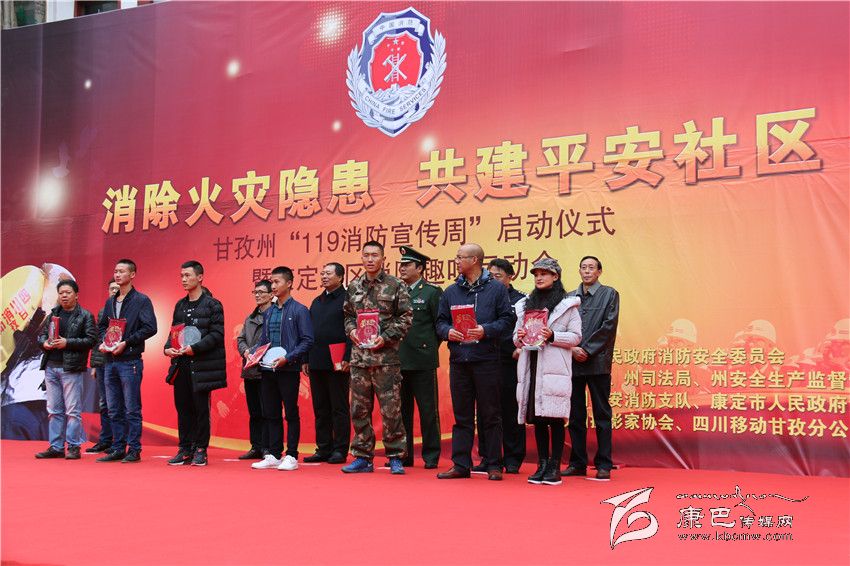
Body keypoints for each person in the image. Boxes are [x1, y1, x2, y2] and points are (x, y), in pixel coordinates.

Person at [436, 244, 513, 481]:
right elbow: (440, 322)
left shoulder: (496, 289)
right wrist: (447, 331)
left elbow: (507, 320)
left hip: (487, 359)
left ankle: (494, 464)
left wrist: (485, 330)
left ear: (475, 260)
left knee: (490, 414)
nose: (456, 261)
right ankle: (461, 464)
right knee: (462, 415)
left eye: (460, 257)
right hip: (460, 360)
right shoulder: (451, 291)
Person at [342, 241, 412, 474]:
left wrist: (385, 337)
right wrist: (352, 331)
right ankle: (362, 457)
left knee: (391, 410)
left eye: (375, 255)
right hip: (359, 360)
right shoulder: (354, 286)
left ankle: (395, 456)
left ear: (383, 259)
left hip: (386, 360)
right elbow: (347, 316)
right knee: (359, 410)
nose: (370, 259)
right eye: (366, 255)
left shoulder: (396, 285)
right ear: (361, 258)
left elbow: (406, 318)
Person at [513, 259, 582, 485]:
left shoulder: (567, 305)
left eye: (544, 274)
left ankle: (554, 466)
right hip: (532, 366)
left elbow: (576, 337)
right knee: (538, 419)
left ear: (556, 277)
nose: (539, 278)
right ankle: (542, 464)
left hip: (554, 369)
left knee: (555, 418)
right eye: (536, 274)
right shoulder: (525, 305)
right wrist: (520, 337)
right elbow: (516, 337)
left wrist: (553, 336)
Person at [163, 261, 227, 467]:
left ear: (200, 277)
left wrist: (195, 348)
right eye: (182, 276)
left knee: (200, 409)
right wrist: (167, 348)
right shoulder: (180, 305)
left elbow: (217, 335)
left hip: (201, 366)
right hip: (181, 364)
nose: (183, 279)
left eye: (188, 275)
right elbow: (174, 332)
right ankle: (184, 448)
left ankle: (200, 449)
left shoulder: (213, 305)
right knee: (183, 408)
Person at [251, 266, 313, 471]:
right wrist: (254, 354)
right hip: (268, 369)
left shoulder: (300, 310)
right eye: (272, 282)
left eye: (277, 282)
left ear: (289, 283)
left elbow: (307, 340)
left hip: (288, 369)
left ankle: (292, 455)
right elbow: (264, 340)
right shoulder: (269, 312)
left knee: (291, 412)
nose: (273, 286)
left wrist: (288, 358)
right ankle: (274, 454)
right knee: (271, 412)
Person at [96, 259, 157, 463]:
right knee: (113, 408)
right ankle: (118, 448)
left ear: (132, 275)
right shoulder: (110, 301)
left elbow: (150, 327)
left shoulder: (141, 300)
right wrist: (105, 341)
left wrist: (127, 342)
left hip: (129, 360)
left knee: (131, 408)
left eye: (122, 271)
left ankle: (134, 449)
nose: (117, 274)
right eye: (115, 271)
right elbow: (102, 326)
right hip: (110, 360)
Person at [564, 256, 619, 480]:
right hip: (573, 362)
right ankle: (577, 462)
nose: (587, 271)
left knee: (602, 414)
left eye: (591, 268)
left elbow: (609, 327)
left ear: (599, 272)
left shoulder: (609, 294)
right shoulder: (569, 297)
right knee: (575, 415)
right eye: (583, 267)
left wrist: (586, 350)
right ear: (579, 271)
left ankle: (604, 463)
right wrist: (572, 349)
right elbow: (562, 327)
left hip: (597, 363)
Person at [473, 257, 526, 474]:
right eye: (490, 275)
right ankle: (488, 457)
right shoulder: (482, 295)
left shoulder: (521, 300)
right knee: (485, 410)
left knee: (510, 410)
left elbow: (528, 328)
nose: (493, 280)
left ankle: (513, 458)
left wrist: (519, 348)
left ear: (510, 277)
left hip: (509, 361)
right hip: (485, 358)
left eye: (498, 276)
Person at [34, 280, 97, 460]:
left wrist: (67, 343)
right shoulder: (53, 314)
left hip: (71, 368)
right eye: (61, 293)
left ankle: (74, 446)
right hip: (51, 367)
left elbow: (91, 340)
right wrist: (44, 343)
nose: (64, 296)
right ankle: (56, 447)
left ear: (76, 295)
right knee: (54, 410)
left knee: (72, 411)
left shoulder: (85, 315)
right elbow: (42, 335)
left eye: (68, 292)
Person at [397, 246, 443, 469]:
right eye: (401, 265)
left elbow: (439, 326)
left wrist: (428, 346)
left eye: (407, 265)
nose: (402, 268)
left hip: (423, 360)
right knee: (401, 412)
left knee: (428, 411)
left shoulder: (432, 292)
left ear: (420, 268)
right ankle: (404, 454)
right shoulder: (395, 291)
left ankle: (431, 455)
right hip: (398, 360)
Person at [302, 263, 352, 465]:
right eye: (322, 273)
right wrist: (306, 358)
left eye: (328, 273)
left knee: (339, 407)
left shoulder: (347, 299)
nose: (323, 276)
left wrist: (348, 356)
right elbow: (308, 332)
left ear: (340, 277)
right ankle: (323, 448)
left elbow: (351, 330)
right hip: (316, 360)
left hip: (338, 361)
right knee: (320, 407)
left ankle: (340, 449)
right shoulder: (317, 301)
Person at [235, 279, 273, 460]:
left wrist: (259, 352)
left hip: (267, 369)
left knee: (268, 411)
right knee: (255, 412)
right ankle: (256, 446)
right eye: (255, 292)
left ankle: (268, 447)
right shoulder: (250, 318)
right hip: (250, 369)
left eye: (261, 292)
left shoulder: (275, 316)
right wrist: (245, 351)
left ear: (271, 295)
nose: (257, 295)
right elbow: (241, 339)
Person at [86, 280, 120, 453]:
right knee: (104, 403)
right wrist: (94, 365)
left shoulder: (127, 310)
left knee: (117, 404)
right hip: (102, 363)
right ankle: (105, 440)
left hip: (120, 363)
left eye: (117, 288)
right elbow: (97, 340)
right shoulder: (103, 311)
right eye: (112, 288)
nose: (114, 291)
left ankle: (119, 441)